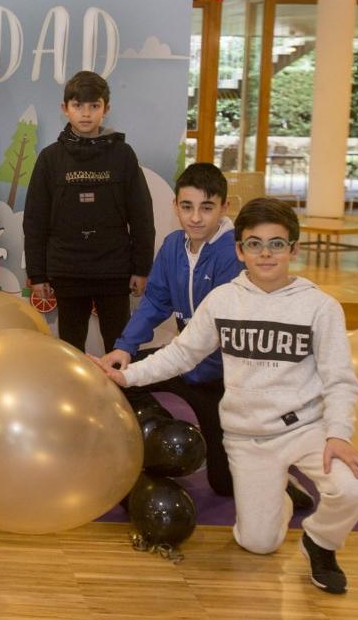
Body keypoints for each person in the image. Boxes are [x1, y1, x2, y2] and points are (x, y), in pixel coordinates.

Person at [95, 198, 358, 595]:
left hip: (306, 428)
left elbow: (340, 380)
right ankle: (280, 498)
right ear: (239, 250)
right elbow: (181, 353)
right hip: (247, 437)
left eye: (277, 244)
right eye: (254, 244)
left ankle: (321, 542)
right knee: (258, 543)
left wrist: (339, 434)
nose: (266, 253)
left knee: (356, 488)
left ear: (294, 249)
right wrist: (128, 377)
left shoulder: (320, 307)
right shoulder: (225, 300)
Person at [101, 163, 315, 509]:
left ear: (224, 208)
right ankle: (161, 439)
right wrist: (124, 348)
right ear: (175, 207)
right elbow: (156, 300)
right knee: (117, 379)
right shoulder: (172, 245)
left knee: (224, 485)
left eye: (206, 207)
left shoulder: (236, 253)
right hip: (185, 361)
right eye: (187, 207)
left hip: (222, 378)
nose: (195, 218)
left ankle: (277, 476)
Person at [22, 70, 154, 352]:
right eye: (77, 105)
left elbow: (142, 216)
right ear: (64, 109)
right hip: (67, 270)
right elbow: (35, 221)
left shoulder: (123, 155)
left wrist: (142, 268)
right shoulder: (49, 158)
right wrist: (38, 274)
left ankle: (123, 396)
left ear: (106, 109)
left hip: (114, 270)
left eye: (94, 106)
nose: (85, 113)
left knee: (120, 345)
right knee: (70, 348)